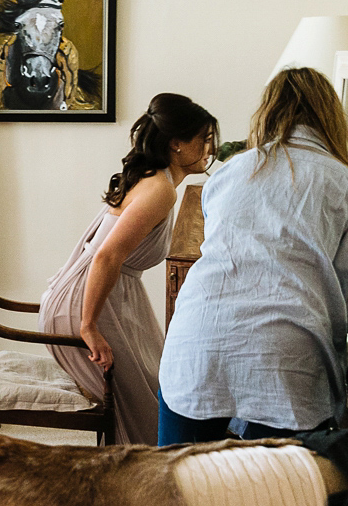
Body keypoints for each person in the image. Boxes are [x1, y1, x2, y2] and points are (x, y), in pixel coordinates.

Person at [158, 67, 348, 444]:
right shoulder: (340, 179)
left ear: (268, 111)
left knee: (177, 486)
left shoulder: (231, 171)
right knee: (279, 490)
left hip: (197, 338)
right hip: (288, 351)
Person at [38, 92, 217, 445]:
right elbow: (106, 257)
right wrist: (88, 326)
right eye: (205, 139)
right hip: (88, 304)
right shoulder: (160, 190)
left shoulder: (156, 181)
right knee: (151, 403)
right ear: (177, 144)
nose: (211, 149)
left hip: (105, 294)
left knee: (159, 382)